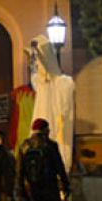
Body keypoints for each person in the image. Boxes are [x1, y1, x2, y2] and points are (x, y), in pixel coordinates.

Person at [29, 34, 75, 172]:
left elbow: (65, 108)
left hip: (56, 127)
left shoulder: (62, 83)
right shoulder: (40, 84)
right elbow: (36, 69)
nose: (38, 65)